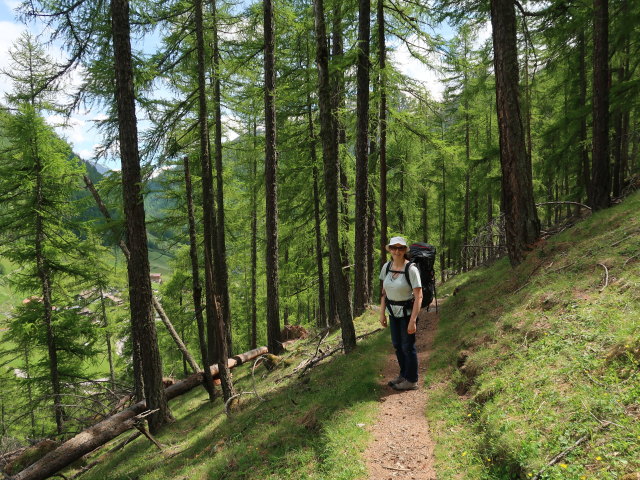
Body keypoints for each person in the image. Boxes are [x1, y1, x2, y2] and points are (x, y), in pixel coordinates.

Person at [379, 236, 423, 391]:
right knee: (397, 345)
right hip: (393, 313)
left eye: (401, 248)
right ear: (390, 249)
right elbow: (384, 292)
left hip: (407, 314)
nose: (397, 251)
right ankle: (403, 375)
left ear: (405, 250)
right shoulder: (386, 267)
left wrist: (413, 320)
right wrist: (382, 313)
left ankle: (412, 380)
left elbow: (419, 295)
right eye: (394, 248)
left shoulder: (411, 269)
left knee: (407, 346)